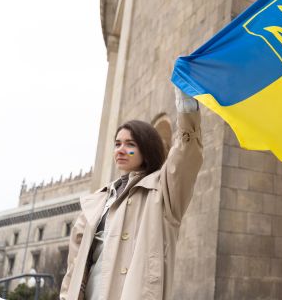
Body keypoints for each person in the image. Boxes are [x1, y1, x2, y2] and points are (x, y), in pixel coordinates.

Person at [60, 87, 203, 300]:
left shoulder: (163, 191)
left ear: (146, 147)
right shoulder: (97, 202)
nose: (120, 149)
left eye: (130, 144)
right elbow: (74, 267)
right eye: (117, 144)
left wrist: (187, 106)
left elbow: (185, 155)